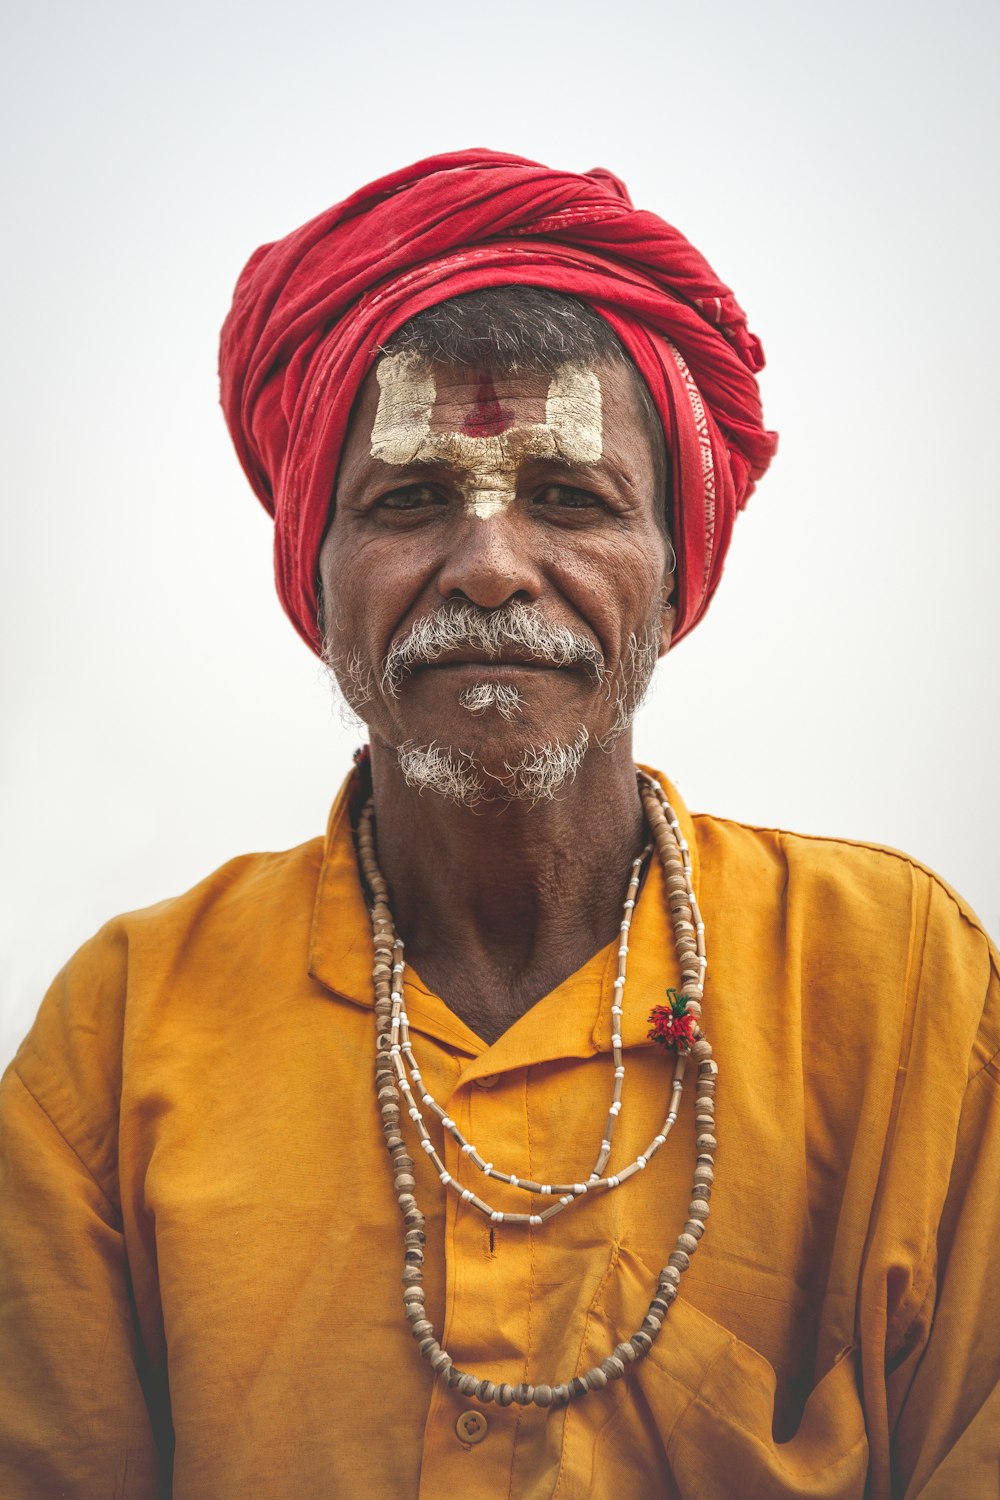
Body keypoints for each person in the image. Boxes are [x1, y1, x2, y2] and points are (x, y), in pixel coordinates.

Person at [0, 149, 996, 1500]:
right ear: (322, 577)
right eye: (408, 502)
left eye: (570, 500)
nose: (488, 563)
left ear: (670, 576)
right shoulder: (122, 1033)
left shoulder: (897, 986)